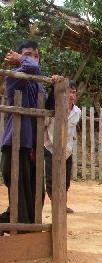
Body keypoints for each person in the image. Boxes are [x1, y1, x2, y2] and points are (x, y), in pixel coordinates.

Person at [0, 40, 61, 225]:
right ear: (18, 58)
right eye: (27, 55)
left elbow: (49, 106)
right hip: (16, 144)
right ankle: (21, 236)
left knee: (35, 194)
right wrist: (22, 60)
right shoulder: (14, 76)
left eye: (36, 56)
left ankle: (27, 231)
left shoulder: (38, 84)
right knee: (20, 195)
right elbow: (32, 69)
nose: (33, 59)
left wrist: (55, 86)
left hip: (34, 146)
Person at [44, 80, 81, 213]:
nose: (72, 95)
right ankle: (55, 204)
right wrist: (47, 141)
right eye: (69, 92)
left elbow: (72, 131)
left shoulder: (77, 112)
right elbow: (44, 126)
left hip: (67, 150)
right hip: (51, 149)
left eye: (74, 92)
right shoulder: (54, 110)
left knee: (65, 180)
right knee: (51, 178)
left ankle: (62, 204)